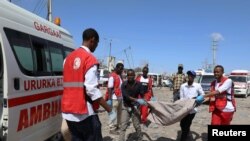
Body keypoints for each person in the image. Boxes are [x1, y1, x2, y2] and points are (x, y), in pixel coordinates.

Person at [61, 28, 116, 141]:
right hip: (84, 112)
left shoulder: (67, 59)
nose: (96, 46)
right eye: (97, 43)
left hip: (68, 111)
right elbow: (91, 90)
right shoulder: (89, 58)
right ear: (92, 40)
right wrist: (109, 109)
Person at [119, 69, 147, 141]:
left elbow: (142, 94)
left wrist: (144, 100)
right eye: (128, 75)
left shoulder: (139, 84)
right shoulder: (123, 84)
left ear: (134, 76)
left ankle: (140, 138)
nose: (130, 76)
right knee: (123, 126)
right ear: (127, 76)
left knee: (136, 125)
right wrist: (137, 100)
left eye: (132, 75)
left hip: (135, 107)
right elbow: (126, 96)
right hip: (126, 106)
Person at [179, 70, 205, 141]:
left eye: (192, 76)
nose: (190, 77)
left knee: (187, 124)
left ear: (194, 77)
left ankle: (183, 138)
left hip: (193, 109)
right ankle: (186, 132)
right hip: (184, 109)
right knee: (182, 124)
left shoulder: (197, 86)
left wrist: (198, 99)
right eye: (189, 75)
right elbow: (181, 97)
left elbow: (202, 94)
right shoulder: (183, 86)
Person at [105, 63, 124, 134]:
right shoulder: (112, 76)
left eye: (122, 69)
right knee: (113, 113)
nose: (121, 70)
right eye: (120, 69)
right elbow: (110, 88)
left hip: (120, 97)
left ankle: (118, 125)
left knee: (120, 113)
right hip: (114, 98)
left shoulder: (119, 76)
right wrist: (109, 99)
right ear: (116, 68)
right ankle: (112, 128)